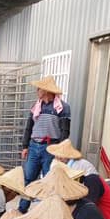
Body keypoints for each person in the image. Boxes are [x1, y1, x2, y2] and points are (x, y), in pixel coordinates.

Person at [20, 75, 71, 211]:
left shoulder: (62, 108)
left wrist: (61, 151)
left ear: (46, 91)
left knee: (50, 181)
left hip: (51, 148)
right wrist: (25, 146)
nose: (37, 91)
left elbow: (65, 131)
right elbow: (29, 127)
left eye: (39, 88)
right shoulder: (36, 106)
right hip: (34, 145)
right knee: (29, 178)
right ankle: (22, 209)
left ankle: (47, 211)